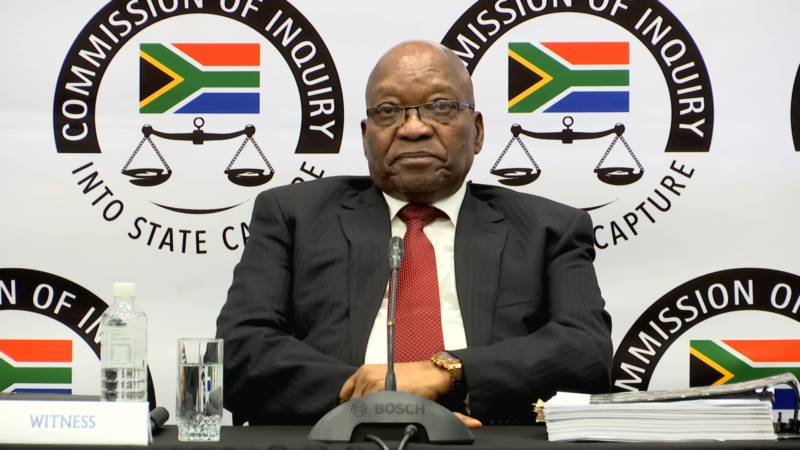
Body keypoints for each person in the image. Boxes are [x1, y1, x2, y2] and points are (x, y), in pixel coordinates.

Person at [216, 40, 613, 427]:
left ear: (477, 131)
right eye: (388, 111)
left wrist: (445, 373)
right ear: (366, 136)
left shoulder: (548, 228)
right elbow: (239, 352)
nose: (414, 128)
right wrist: (375, 399)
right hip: (334, 439)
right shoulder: (294, 216)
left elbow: (587, 353)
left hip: (487, 440)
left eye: (440, 106)